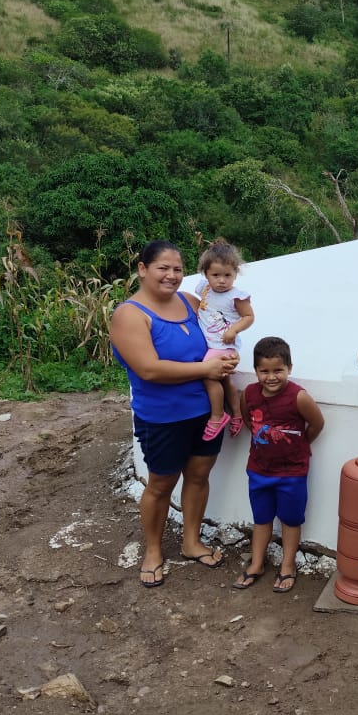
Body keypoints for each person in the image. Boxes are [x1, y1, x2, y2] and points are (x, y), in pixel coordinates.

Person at [110, 240, 240, 588]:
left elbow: (218, 337)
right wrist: (206, 370)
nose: (171, 275)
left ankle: (191, 542)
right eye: (163, 268)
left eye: (178, 269)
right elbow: (149, 369)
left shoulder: (191, 302)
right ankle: (153, 551)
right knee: (161, 484)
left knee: (198, 476)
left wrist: (228, 354)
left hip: (206, 412)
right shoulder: (129, 315)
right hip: (162, 417)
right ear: (142, 269)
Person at [232, 336, 324, 594]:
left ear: (289, 368)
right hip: (258, 470)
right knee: (261, 518)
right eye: (264, 371)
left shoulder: (299, 397)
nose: (271, 377)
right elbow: (250, 421)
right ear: (256, 370)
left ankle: (287, 565)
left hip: (292, 473)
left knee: (291, 520)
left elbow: (317, 424)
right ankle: (257, 563)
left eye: (278, 370)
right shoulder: (249, 394)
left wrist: (299, 447)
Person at [194, 239, 254, 442]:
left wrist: (234, 330)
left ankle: (218, 415)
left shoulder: (237, 297)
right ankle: (236, 414)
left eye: (227, 275)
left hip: (224, 346)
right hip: (212, 345)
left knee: (208, 376)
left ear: (235, 273)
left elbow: (249, 317)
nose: (221, 280)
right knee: (225, 380)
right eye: (216, 275)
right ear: (206, 274)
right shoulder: (204, 289)